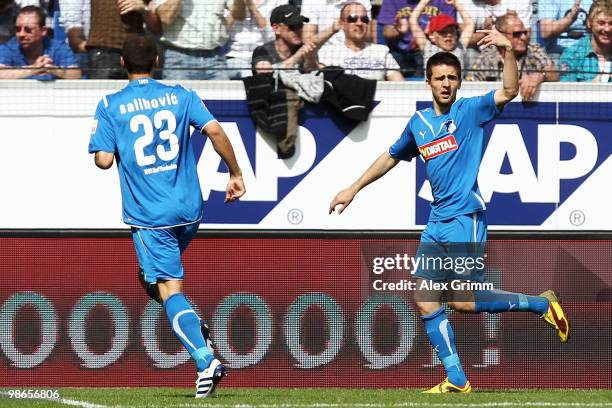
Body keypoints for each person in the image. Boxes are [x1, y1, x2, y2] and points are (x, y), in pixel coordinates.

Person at [329, 37, 569, 391]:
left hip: (465, 218)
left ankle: (539, 305)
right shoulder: (419, 122)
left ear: (459, 81)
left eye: (452, 78)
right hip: (436, 222)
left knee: (462, 301)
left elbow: (509, 90)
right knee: (425, 300)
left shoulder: (470, 111)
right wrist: (353, 188)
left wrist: (508, 52)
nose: (446, 84)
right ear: (428, 81)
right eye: (439, 78)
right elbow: (391, 156)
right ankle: (456, 378)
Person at [88, 35, 245, 398]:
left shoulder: (110, 104)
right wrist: (235, 173)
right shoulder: (181, 95)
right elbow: (216, 130)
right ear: (157, 60)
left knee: (168, 288)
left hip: (149, 215)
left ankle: (205, 359)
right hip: (189, 211)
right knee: (148, 279)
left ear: (122, 64)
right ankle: (191, 323)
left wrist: (104, 143)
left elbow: (104, 160)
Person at [468, 13, 559, 101]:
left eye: (525, 32)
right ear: (501, 35)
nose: (523, 37)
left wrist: (540, 76)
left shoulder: (532, 50)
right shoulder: (487, 57)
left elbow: (554, 74)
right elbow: (470, 87)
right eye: (517, 34)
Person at [60, 0, 160, 79]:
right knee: (103, 98)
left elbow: (157, 29)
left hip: (137, 53)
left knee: (137, 100)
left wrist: (144, 9)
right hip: (103, 53)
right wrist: (79, 43)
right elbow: (72, 16)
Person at [318, 2, 404, 81]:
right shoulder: (328, 53)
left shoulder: (381, 51)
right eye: (353, 18)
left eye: (364, 19)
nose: (359, 23)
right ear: (342, 24)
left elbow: (400, 85)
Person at [152, 0, 231, 80]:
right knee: (178, 93)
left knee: (225, 92)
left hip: (215, 58)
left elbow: (240, 16)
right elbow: (166, 18)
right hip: (179, 59)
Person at [379, 0, 456, 77]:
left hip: (428, 49)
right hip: (399, 50)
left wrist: (429, 33)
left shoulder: (443, 1)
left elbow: (450, 29)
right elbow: (387, 33)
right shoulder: (391, 1)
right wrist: (400, 31)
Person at [0, 5, 81, 79]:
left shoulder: (59, 48)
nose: (21, 34)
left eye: (28, 30)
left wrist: (55, 70)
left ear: (43, 31)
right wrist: (32, 69)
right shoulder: (7, 48)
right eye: (17, 29)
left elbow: (76, 75)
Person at [225, 0, 285, 79]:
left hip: (265, 55)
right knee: (247, 75)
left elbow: (273, 36)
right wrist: (236, 8)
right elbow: (222, 34)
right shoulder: (228, 1)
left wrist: (253, 8)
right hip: (236, 56)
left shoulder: (277, 2)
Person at [409, 0, 474, 71]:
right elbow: (413, 20)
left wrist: (456, 4)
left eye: (452, 31)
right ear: (432, 36)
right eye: (443, 32)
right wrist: (424, 2)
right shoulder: (428, 47)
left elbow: (470, 24)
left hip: (458, 82)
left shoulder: (460, 46)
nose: (449, 35)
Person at [560, 0, 612, 82]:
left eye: (611, 23)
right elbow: (565, 91)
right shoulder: (573, 54)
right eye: (601, 23)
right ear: (589, 23)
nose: (607, 29)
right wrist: (591, 87)